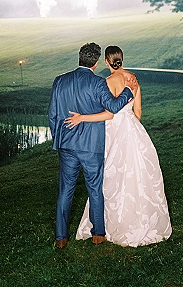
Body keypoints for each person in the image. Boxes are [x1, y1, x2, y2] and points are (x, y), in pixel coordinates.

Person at [67, 45, 172, 247]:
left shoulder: (107, 82)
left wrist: (82, 118)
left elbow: (109, 114)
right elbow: (138, 112)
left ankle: (110, 224)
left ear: (106, 61)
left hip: (113, 131)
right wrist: (131, 127)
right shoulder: (133, 80)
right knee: (138, 176)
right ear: (121, 59)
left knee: (110, 176)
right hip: (133, 130)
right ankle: (141, 221)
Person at [48, 42, 138, 249]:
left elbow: (53, 114)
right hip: (91, 146)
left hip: (67, 146)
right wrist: (128, 90)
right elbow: (114, 107)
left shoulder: (59, 81)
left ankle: (61, 237)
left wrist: (59, 140)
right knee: (95, 188)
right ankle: (98, 234)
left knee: (65, 190)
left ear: (80, 57)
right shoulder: (98, 83)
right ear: (96, 63)